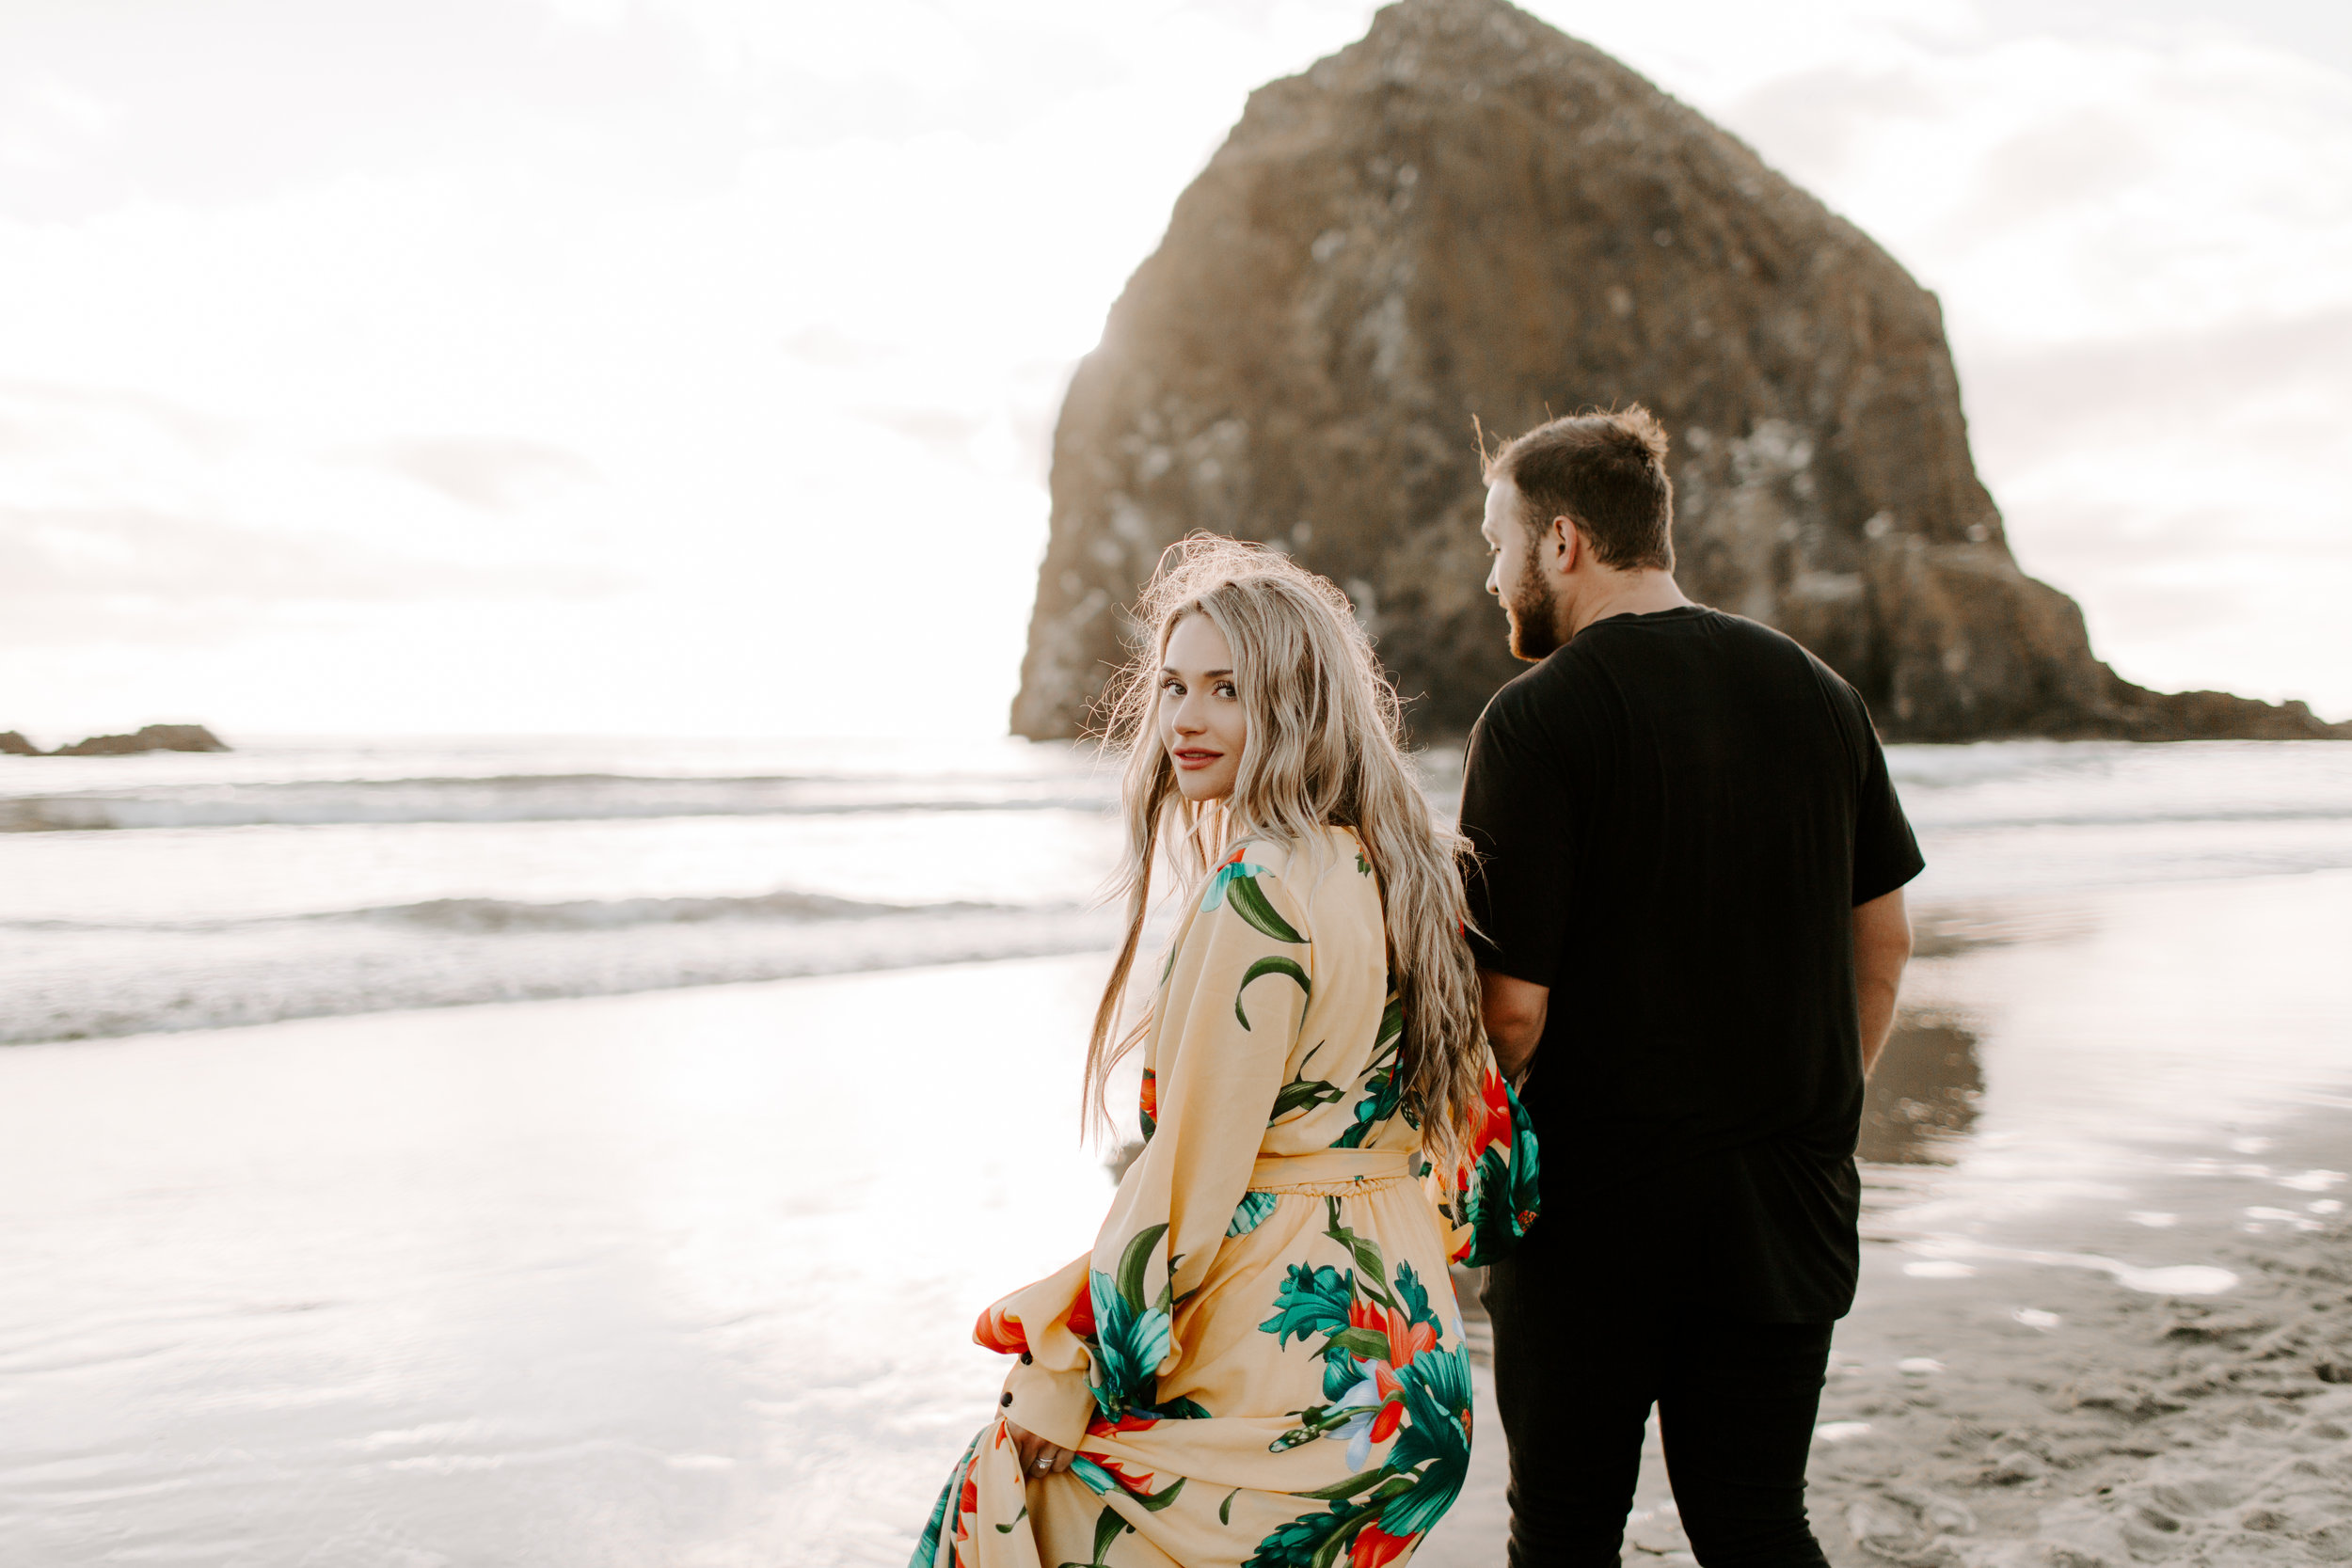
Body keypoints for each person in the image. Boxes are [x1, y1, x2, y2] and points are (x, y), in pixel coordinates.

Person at [912, 538, 1537, 1568]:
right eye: (1171, 687)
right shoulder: (1402, 868)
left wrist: (1062, 1382)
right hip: (1413, 1382)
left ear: (1296, 703)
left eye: (1226, 689)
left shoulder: (1256, 889)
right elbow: (1485, 1159)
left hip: (1290, 1381)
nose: (1184, 719)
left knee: (992, 1512)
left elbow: (1188, 1185)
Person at [1459, 407, 1921, 1567]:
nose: (1490, 572)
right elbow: (1884, 946)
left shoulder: (1534, 721)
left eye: (1498, 539)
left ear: (1561, 541)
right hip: (1784, 1207)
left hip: (1593, 1223)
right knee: (1756, 1523)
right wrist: (1813, 1119)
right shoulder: (1821, 695)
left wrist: (1451, 1159)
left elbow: (1512, 1010)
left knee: (1564, 1534)